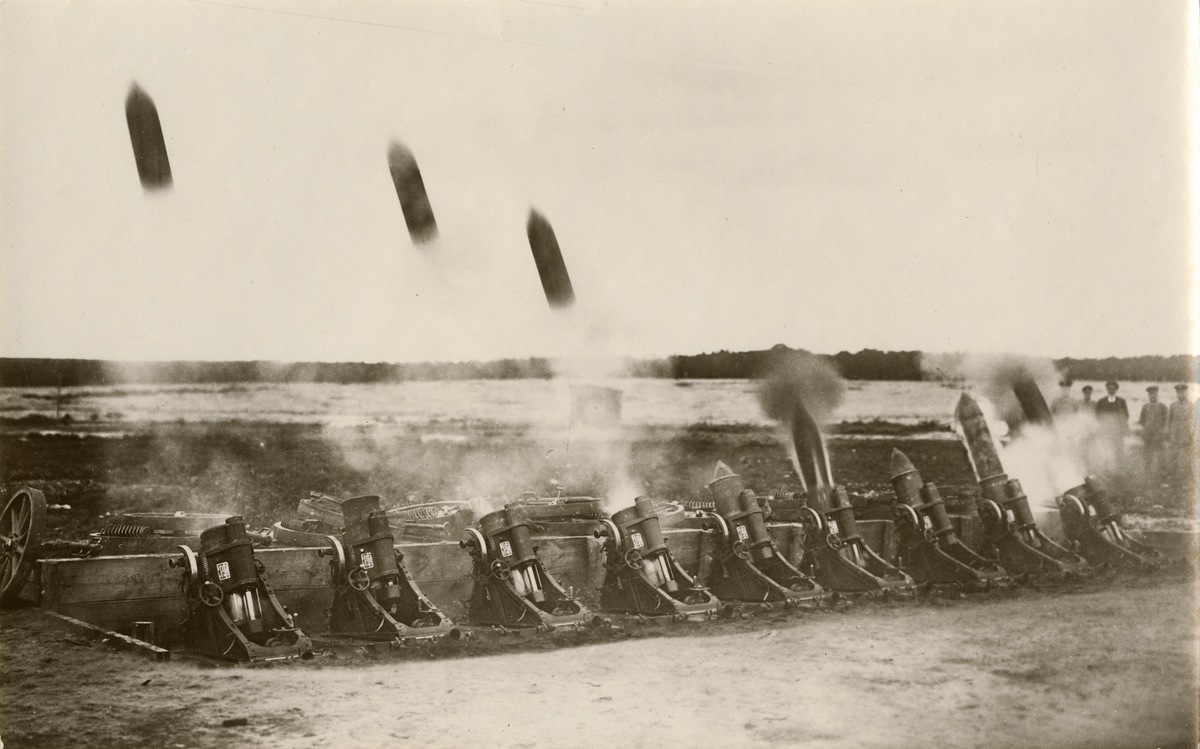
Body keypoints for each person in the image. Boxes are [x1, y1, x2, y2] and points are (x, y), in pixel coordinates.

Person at [1093, 380, 1129, 466]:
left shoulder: (1121, 401)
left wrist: (1121, 426)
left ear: (1116, 390)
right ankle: (1106, 469)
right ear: (1107, 389)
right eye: (1109, 389)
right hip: (1105, 431)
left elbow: (1126, 415)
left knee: (1118, 451)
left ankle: (1119, 469)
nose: (1111, 391)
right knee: (1106, 452)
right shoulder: (1101, 401)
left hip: (1117, 432)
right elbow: (1097, 415)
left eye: (1113, 389)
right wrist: (1103, 424)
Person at [1138, 386, 1168, 483]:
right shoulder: (1145, 407)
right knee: (1147, 456)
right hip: (1148, 436)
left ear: (1157, 395)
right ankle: (1147, 476)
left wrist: (1163, 432)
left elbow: (1166, 421)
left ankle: (1163, 476)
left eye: (1154, 394)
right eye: (1150, 394)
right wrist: (1145, 430)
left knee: (1161, 457)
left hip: (1159, 436)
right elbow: (1142, 421)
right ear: (1148, 395)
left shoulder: (1162, 406)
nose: (1152, 396)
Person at [1167, 383, 1195, 489]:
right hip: (1175, 436)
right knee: (1174, 457)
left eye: (1183, 392)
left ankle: (1188, 479)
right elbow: (1169, 421)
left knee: (1188, 457)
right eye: (1179, 393)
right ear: (1176, 394)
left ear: (1186, 393)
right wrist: (1169, 433)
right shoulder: (1173, 405)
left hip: (1187, 436)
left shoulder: (1191, 406)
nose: (1181, 394)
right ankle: (1173, 478)